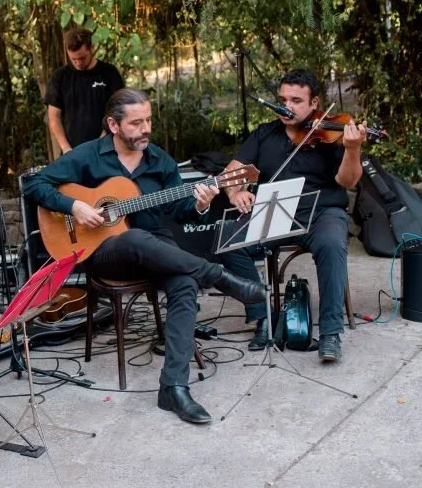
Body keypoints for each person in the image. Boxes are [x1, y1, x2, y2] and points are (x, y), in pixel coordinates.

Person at [23, 88, 266, 425]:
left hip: (158, 247)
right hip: (106, 252)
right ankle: (217, 275)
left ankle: (174, 388)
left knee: (184, 284)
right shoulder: (88, 155)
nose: (146, 129)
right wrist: (75, 206)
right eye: (136, 123)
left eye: (148, 120)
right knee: (133, 237)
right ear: (113, 125)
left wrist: (200, 203)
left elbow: (180, 211)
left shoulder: (160, 161)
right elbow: (34, 185)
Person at [220, 69, 367, 361]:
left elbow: (348, 180)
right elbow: (230, 174)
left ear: (314, 103)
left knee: (331, 244)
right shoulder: (265, 133)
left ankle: (330, 333)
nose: (286, 107)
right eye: (283, 100)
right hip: (275, 212)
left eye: (296, 101)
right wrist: (236, 193)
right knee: (228, 239)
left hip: (321, 212)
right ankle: (264, 316)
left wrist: (353, 150)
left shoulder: (331, 134)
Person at [44, 27, 124, 155]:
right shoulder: (60, 77)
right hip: (72, 152)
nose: (78, 63)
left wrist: (102, 141)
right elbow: (54, 117)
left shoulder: (110, 73)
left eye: (82, 58)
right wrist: (66, 149)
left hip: (107, 149)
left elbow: (118, 111)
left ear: (92, 48)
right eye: (73, 59)